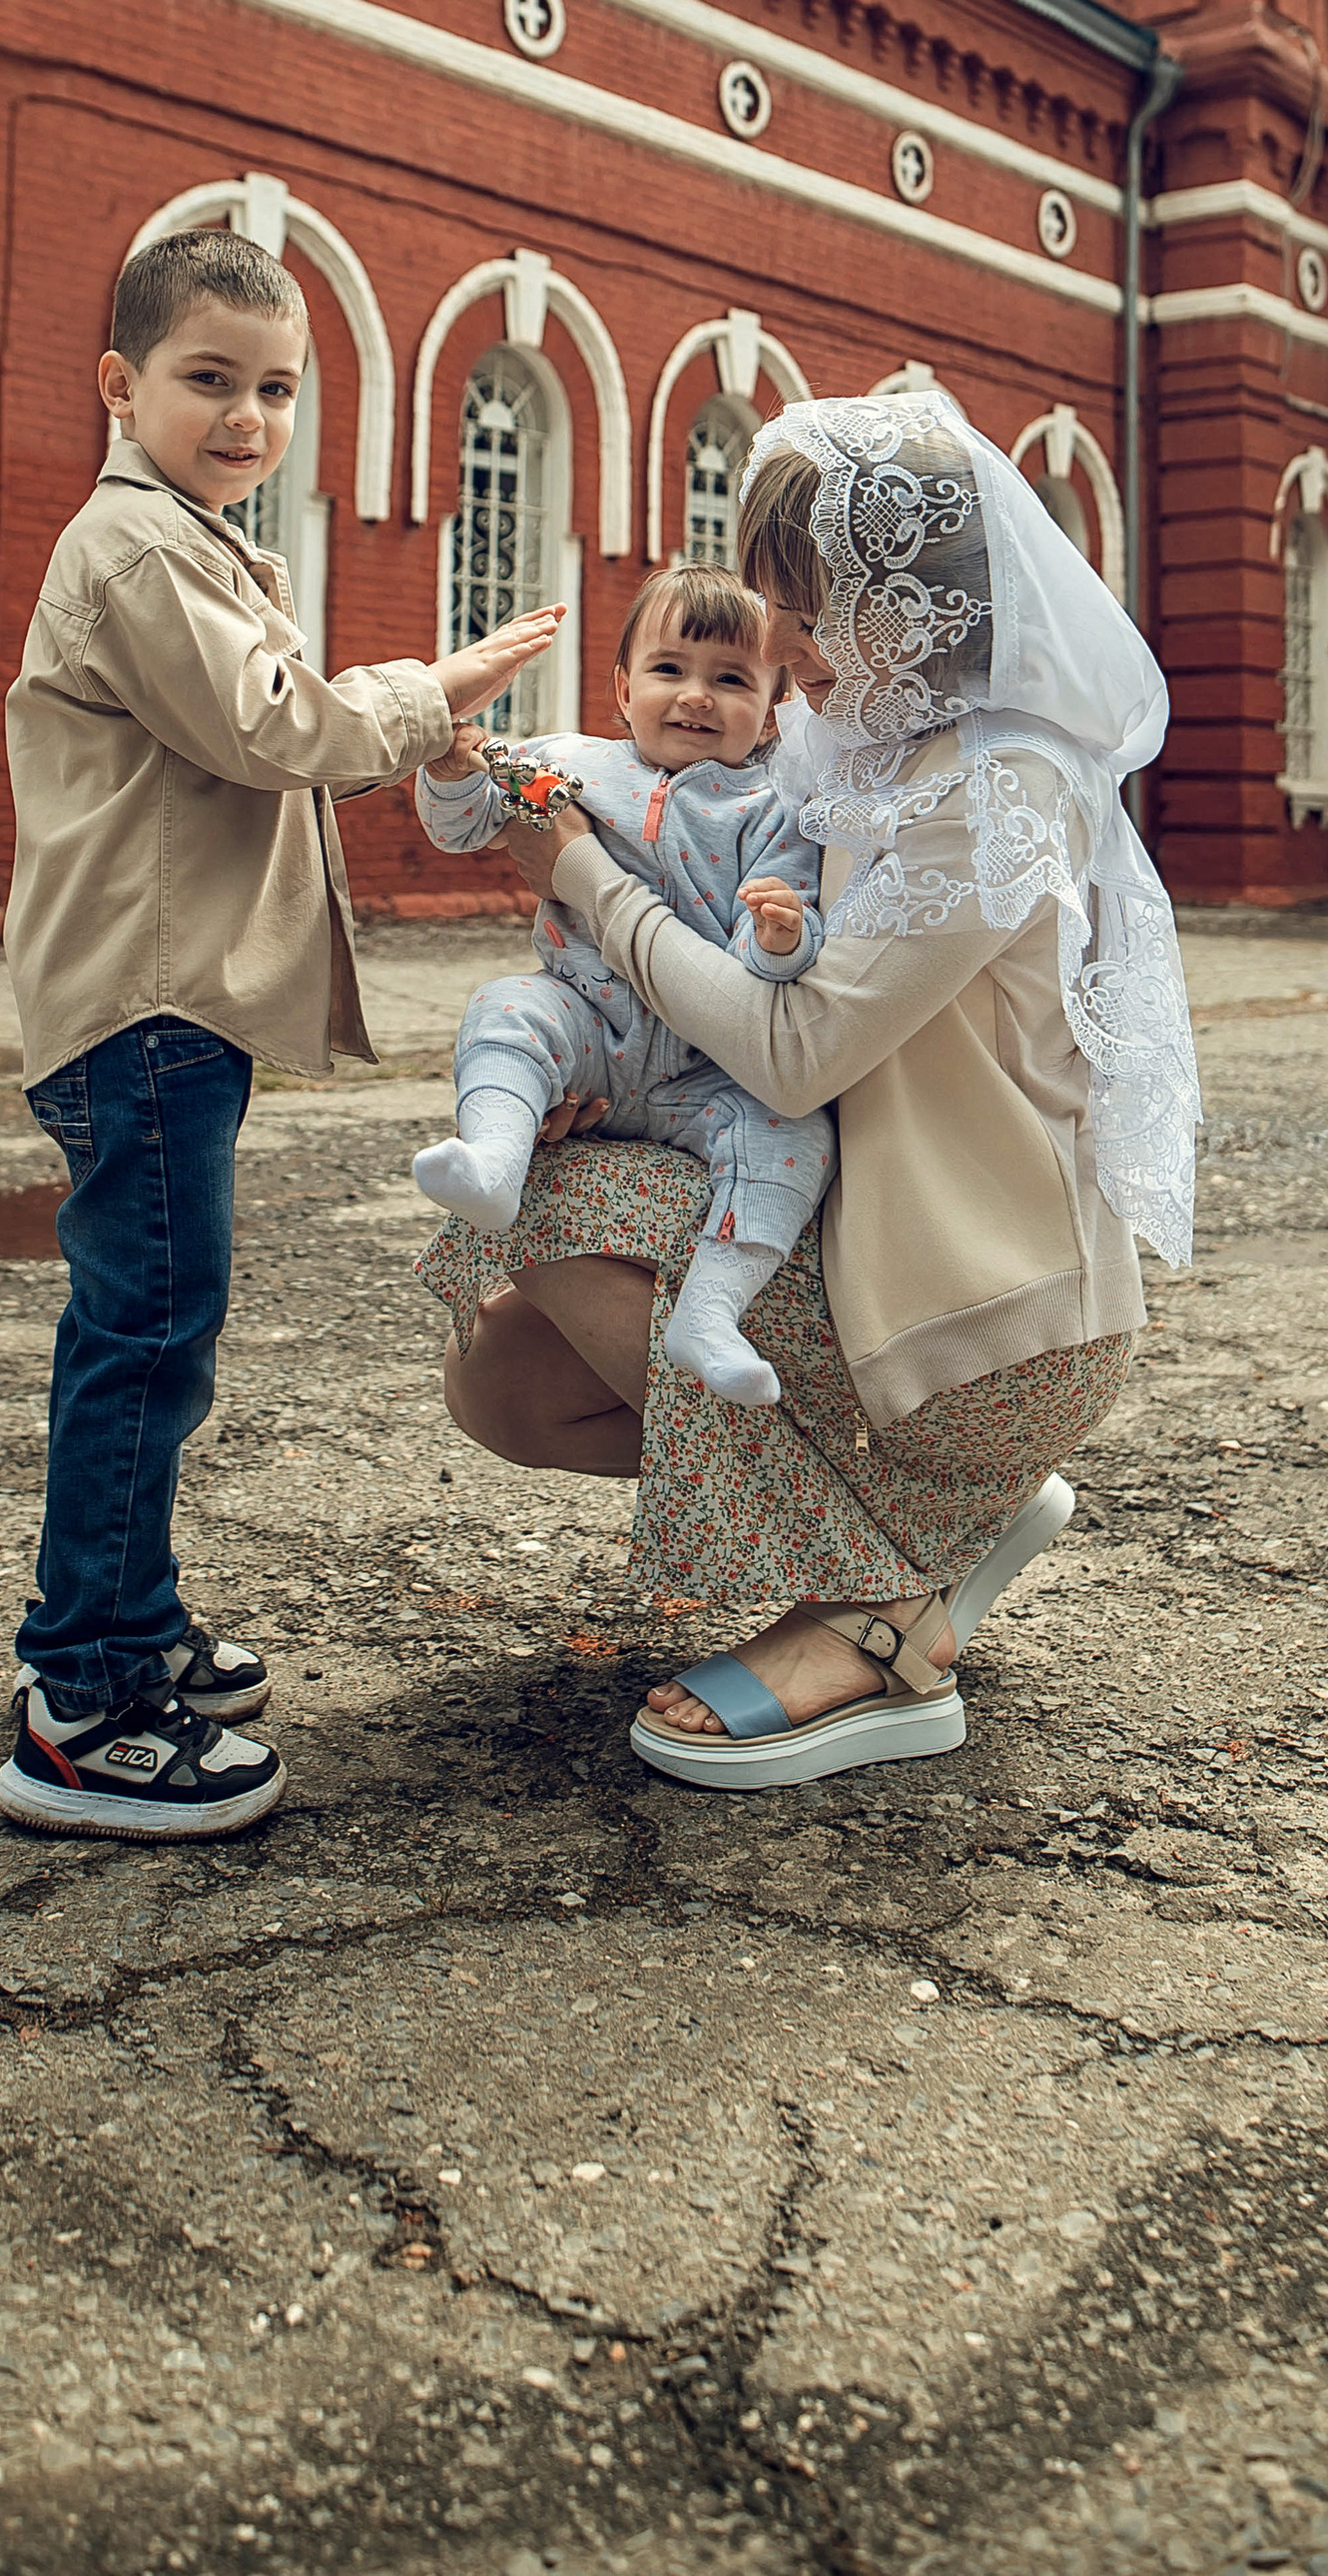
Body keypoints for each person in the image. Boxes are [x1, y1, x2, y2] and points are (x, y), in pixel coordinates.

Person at [421, 389, 1200, 1792]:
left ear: (911, 605)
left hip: (980, 1321)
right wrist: (604, 1074)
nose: (776, 650)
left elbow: (795, 1053)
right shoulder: (874, 751)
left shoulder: (998, 784)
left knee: (536, 1210)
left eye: (810, 607)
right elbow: (734, 983)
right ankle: (936, 1529)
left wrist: (581, 881)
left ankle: (885, 1616)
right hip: (871, 1269)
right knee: (507, 1373)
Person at [0, 227, 562, 1840]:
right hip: (146, 1002)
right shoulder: (137, 551)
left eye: (276, 390)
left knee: (152, 1332)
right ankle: (83, 1706)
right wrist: (436, 688)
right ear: (122, 383)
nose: (247, 418)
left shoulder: (188, 540)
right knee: (147, 1339)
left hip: (167, 998)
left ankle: (125, 1625)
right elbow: (275, 732)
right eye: (208, 381)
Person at [409, 560, 834, 1406]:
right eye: (670, 669)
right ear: (621, 686)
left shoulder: (775, 807)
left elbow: (772, 952)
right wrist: (455, 769)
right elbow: (465, 827)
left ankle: (712, 1311)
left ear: (773, 709)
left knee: (797, 1133)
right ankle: (495, 1158)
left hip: (708, 1072)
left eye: (731, 679)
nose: (697, 697)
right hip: (588, 1032)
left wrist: (784, 932)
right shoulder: (569, 766)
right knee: (506, 1005)